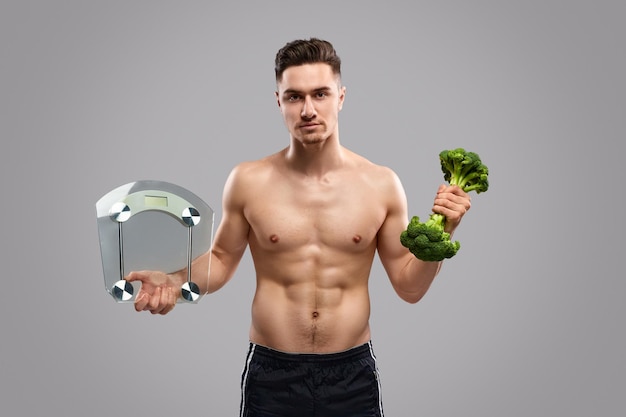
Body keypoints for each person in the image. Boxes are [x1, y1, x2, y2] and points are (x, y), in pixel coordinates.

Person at [126, 38, 472, 417]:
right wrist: (176, 282)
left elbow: (409, 287)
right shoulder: (248, 180)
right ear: (279, 102)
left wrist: (445, 233)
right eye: (294, 97)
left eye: (320, 94)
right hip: (272, 375)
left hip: (351, 375)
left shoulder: (381, 184)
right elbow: (222, 259)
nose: (308, 110)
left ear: (341, 97)